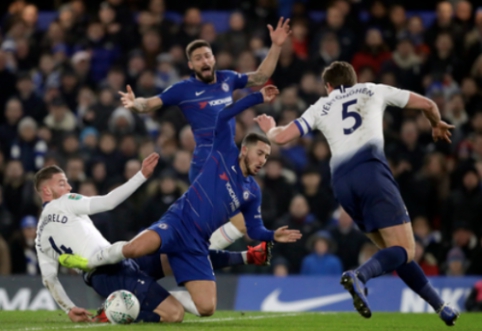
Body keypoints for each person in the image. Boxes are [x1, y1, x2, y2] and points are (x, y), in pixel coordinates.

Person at [60, 86, 302, 318]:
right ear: (244, 150)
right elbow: (225, 114)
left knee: (207, 308)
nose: (263, 160)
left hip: (196, 243)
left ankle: (156, 297)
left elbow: (254, 229)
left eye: (267, 157)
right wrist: (257, 96)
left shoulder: (253, 192)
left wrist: (271, 235)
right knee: (133, 249)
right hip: (176, 223)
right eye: (260, 153)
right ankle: (90, 263)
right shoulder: (224, 151)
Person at [254, 61, 459, 326]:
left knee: (393, 252)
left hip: (341, 183)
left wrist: (270, 127)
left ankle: (440, 306)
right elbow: (429, 105)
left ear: (328, 86)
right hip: (371, 174)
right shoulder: (372, 90)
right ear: (355, 79)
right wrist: (436, 124)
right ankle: (360, 276)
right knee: (407, 249)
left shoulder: (321, 106)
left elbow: (280, 138)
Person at [118, 18, 292, 251]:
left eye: (207, 56)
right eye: (198, 58)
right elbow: (150, 103)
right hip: (206, 162)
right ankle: (184, 250)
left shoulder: (227, 78)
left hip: (229, 160)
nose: (205, 61)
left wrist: (277, 46)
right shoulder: (183, 89)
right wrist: (134, 103)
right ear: (191, 65)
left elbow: (260, 77)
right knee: (239, 226)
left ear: (214, 58)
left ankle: (189, 249)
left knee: (238, 228)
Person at [34, 153, 271, 323]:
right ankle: (114, 312)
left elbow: (49, 279)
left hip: (111, 269)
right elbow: (109, 202)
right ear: (47, 191)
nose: (69, 186)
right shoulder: (64, 202)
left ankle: (247, 256)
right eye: (62, 183)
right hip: (112, 271)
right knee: (174, 314)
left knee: (177, 252)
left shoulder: (40, 238)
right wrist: (141, 176)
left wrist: (69, 308)